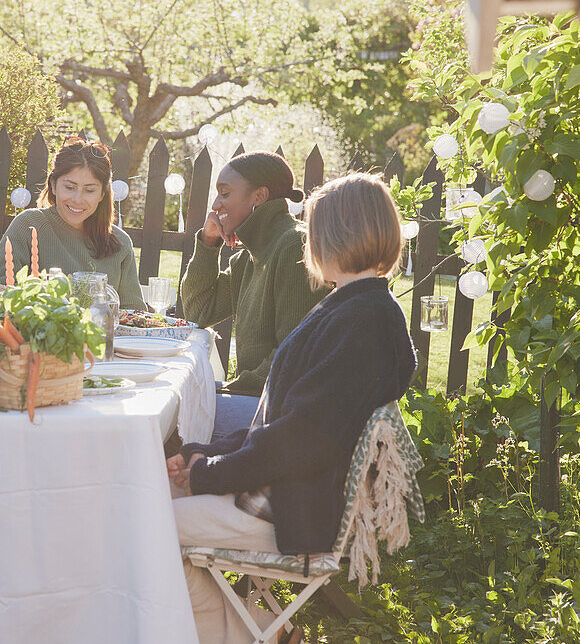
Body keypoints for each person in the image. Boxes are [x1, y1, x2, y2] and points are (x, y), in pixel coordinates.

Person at [167, 172, 417, 644]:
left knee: (143, 522)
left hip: (288, 509)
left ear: (332, 236)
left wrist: (209, 473)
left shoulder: (361, 322)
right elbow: (284, 420)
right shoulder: (353, 307)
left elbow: (302, 439)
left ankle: (245, 635)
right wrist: (206, 451)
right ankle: (261, 630)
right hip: (279, 492)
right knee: (149, 492)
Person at [179, 151, 328, 439]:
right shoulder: (248, 258)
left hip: (284, 412)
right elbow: (198, 313)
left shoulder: (293, 246)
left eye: (225, 193)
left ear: (258, 197)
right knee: (177, 403)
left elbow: (292, 356)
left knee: (178, 419)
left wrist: (232, 386)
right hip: (256, 396)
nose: (215, 204)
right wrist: (208, 243)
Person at [0, 137, 146, 310]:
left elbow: (134, 314)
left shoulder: (121, 243)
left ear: (102, 195)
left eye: (89, 190)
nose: (77, 200)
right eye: (69, 187)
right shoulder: (29, 225)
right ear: (53, 185)